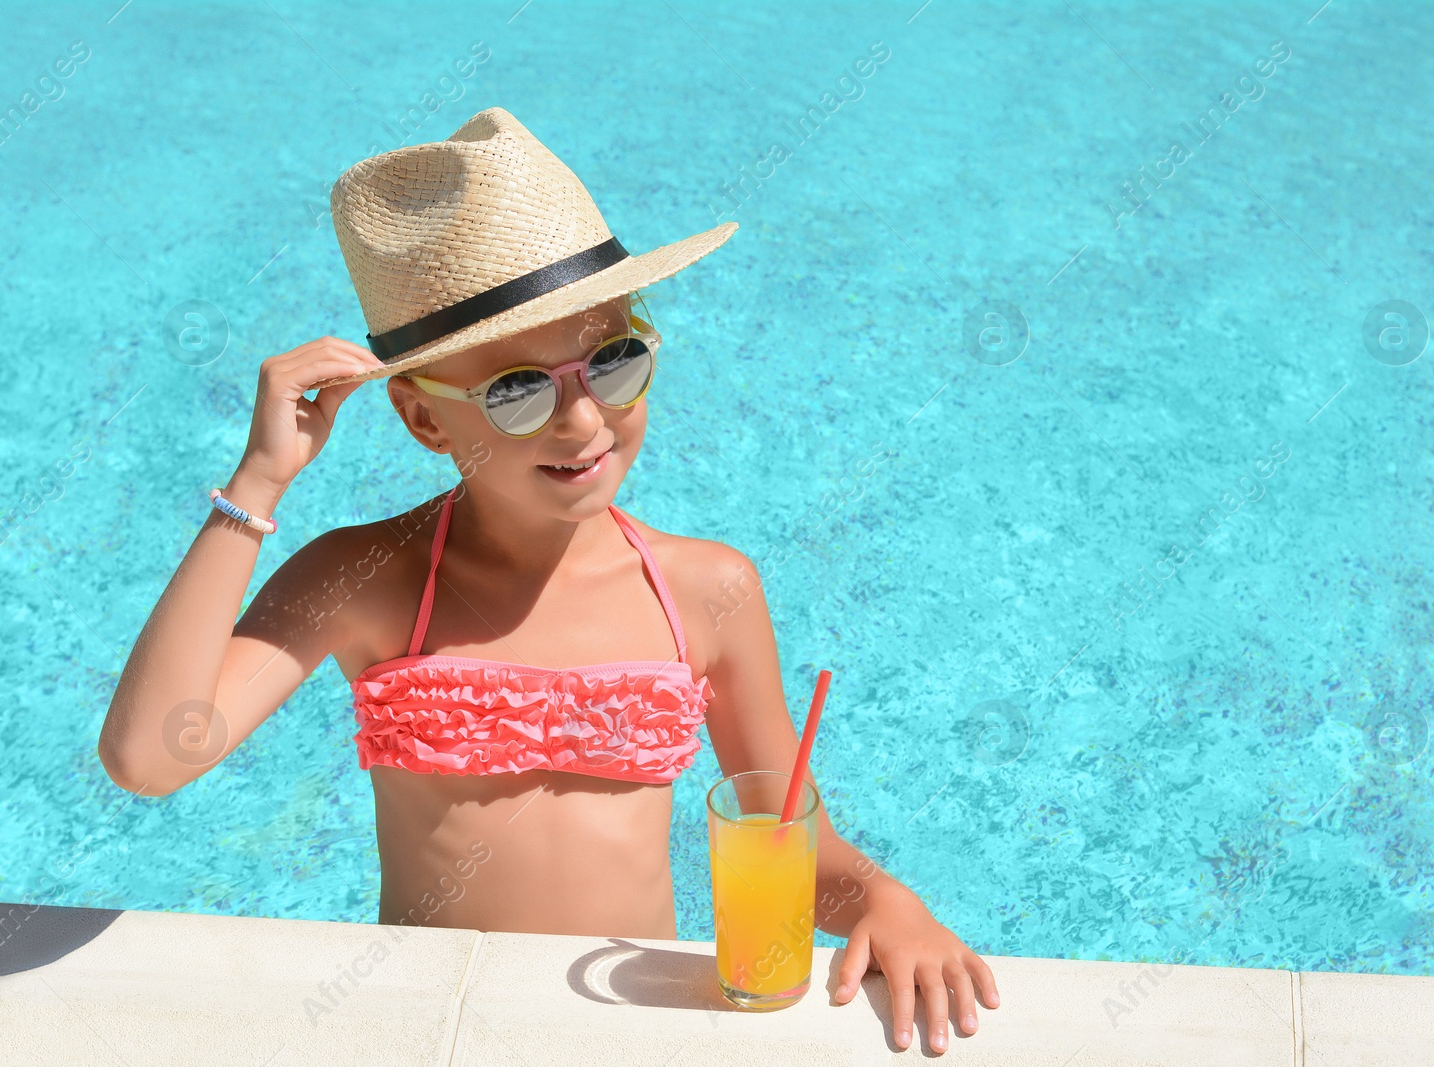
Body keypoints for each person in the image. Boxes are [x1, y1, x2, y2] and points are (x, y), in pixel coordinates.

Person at [98, 107, 998, 1053]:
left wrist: (884, 895)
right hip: (430, 1028)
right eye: (519, 390)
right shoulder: (367, 580)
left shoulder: (706, 588)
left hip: (631, 1027)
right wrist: (256, 485)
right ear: (424, 420)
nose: (582, 421)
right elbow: (152, 758)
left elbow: (779, 833)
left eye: (614, 361)